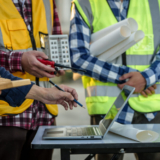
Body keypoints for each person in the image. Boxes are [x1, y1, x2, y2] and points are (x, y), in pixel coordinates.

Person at [69, 0, 160, 160]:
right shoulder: (84, 4)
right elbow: (78, 58)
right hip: (107, 109)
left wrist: (146, 78)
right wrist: (129, 76)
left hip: (151, 108)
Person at [0, 0, 73, 160]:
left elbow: (54, 39)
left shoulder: (47, 2)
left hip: (44, 112)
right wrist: (19, 60)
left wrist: (57, 63)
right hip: (7, 113)